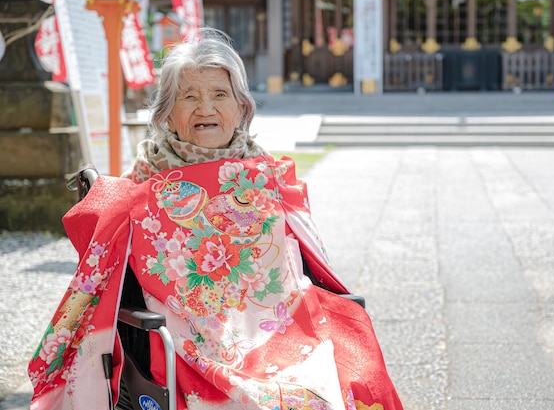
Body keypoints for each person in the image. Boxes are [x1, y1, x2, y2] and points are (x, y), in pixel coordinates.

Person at [28, 28, 403, 410]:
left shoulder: (270, 179)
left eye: (220, 95)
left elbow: (308, 268)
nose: (205, 108)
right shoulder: (138, 188)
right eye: (188, 97)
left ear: (241, 108)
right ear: (167, 113)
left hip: (286, 329)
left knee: (354, 367)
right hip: (194, 346)